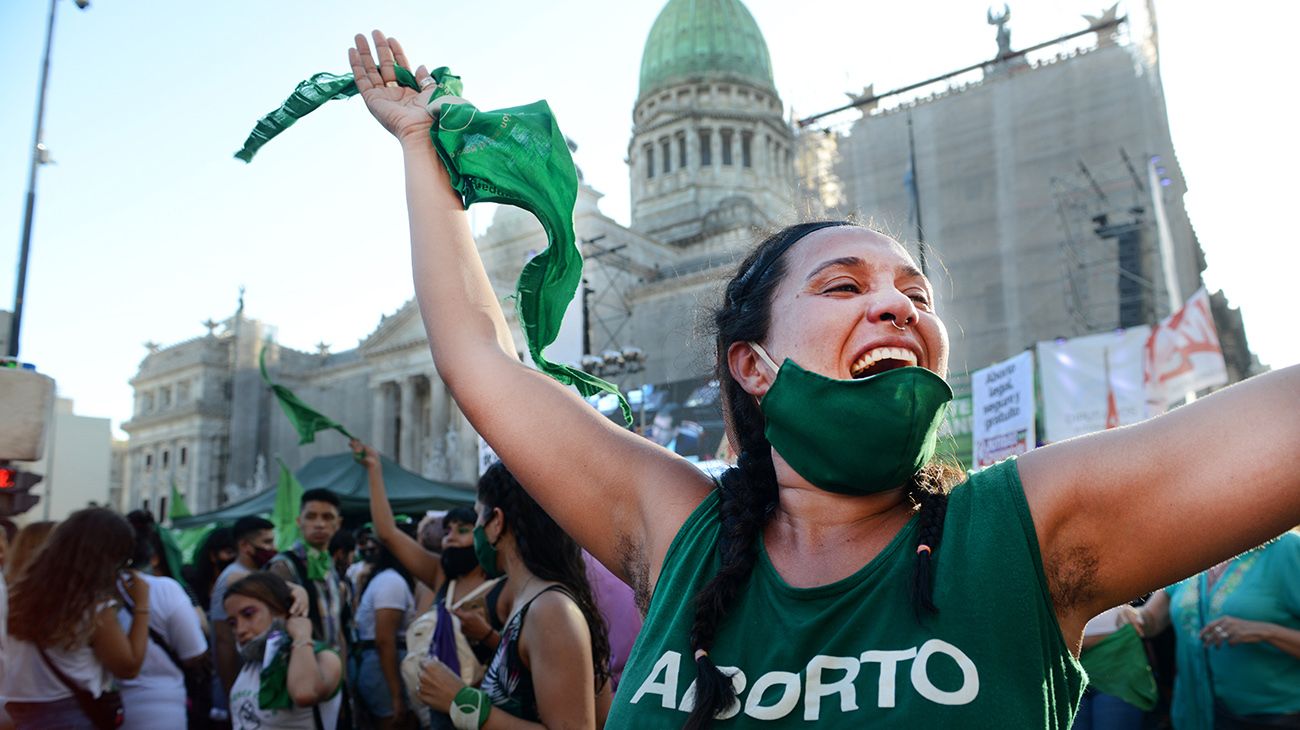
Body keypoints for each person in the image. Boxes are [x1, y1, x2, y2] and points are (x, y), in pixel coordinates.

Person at [349, 31, 1300, 728]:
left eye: (915, 294)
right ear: (750, 364)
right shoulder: (680, 534)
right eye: (845, 285)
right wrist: (421, 152)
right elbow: (479, 356)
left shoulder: (1024, 535)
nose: (897, 306)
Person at [414, 462, 611, 728]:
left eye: (477, 518)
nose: (475, 533)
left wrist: (461, 700)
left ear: (496, 522)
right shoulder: (532, 602)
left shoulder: (550, 609)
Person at [1122, 531, 1300, 729]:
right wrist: (1127, 615)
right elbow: (1151, 621)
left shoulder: (1287, 548)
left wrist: (1266, 631)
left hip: (1271, 717)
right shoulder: (1193, 552)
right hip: (1195, 712)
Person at [3, 509, 151, 729]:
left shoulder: (17, 594)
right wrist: (142, 606)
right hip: (68, 713)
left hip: (17, 711)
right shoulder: (91, 607)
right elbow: (128, 667)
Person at [118, 511, 209, 730]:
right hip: (161, 710)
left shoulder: (95, 591)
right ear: (152, 556)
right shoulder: (166, 589)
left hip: (106, 707)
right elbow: (194, 651)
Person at [223, 572, 343, 730]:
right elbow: (232, 578)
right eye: (232, 623)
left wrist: (301, 635)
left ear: (280, 610)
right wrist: (292, 587)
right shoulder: (256, 662)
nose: (240, 630)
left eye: (248, 614)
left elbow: (304, 693)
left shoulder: (324, 657)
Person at [267, 489, 349, 656]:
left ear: (338, 524)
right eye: (311, 517)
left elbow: (337, 627)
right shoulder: (283, 565)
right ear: (299, 521)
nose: (319, 524)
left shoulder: (330, 566)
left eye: (327, 517)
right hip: (301, 666)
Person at [350, 523, 416, 728]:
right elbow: (384, 640)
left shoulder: (389, 578)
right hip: (382, 669)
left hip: (379, 667)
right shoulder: (391, 582)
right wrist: (396, 695)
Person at [211, 516, 276, 722]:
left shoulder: (249, 574)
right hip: (240, 685)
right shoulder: (235, 578)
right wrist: (232, 693)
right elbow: (223, 640)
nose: (272, 548)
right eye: (266, 542)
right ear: (245, 546)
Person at [185, 527, 237, 617]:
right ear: (213, 556)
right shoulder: (191, 590)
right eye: (229, 552)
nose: (235, 558)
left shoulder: (241, 585)